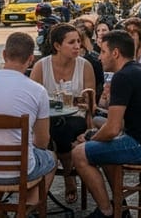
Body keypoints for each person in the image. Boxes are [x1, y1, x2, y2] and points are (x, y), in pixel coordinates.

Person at [72, 29, 141, 218]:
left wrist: (89, 139)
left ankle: (106, 211)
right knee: (102, 146)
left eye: (103, 52)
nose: (99, 57)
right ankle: (121, 208)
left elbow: (112, 129)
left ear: (115, 53)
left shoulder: (123, 77)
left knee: (79, 153)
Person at [0, 31, 56, 206]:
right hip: (18, 171)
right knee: (50, 157)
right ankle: (27, 206)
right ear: (31, 59)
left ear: (4, 55)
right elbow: (43, 141)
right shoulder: (37, 91)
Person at [30, 22, 96, 204]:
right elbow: (32, 99)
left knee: (64, 129)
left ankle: (61, 176)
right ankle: (69, 174)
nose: (77, 46)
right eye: (71, 42)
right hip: (47, 119)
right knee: (58, 128)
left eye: (78, 41)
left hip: (77, 118)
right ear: (57, 46)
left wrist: (75, 101)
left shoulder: (85, 66)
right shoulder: (41, 67)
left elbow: (91, 102)